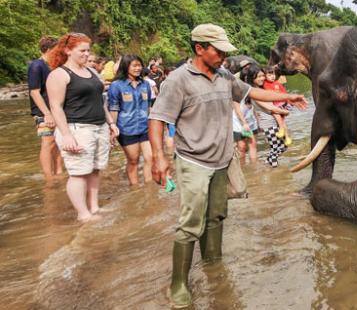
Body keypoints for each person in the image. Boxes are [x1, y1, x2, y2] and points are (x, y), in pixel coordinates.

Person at [148, 23, 307, 308]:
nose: (224, 56)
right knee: (190, 223)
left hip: (222, 160)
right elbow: (158, 119)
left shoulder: (224, 77)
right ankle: (178, 284)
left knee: (217, 216)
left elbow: (253, 94)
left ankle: (213, 263)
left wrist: (287, 96)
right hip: (193, 161)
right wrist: (159, 158)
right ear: (199, 49)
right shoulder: (178, 80)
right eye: (218, 50)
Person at [46, 33, 119, 222]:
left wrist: (111, 123)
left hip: (99, 126)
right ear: (67, 50)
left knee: (95, 169)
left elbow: (99, 100)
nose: (87, 54)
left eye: (88, 50)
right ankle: (82, 213)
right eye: (82, 51)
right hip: (76, 128)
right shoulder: (59, 74)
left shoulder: (92, 72)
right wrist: (66, 135)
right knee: (79, 173)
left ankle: (93, 207)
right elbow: (55, 107)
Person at [108, 55, 153, 186]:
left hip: (145, 127)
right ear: (126, 67)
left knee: (150, 157)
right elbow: (114, 109)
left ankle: (149, 188)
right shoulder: (116, 86)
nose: (138, 68)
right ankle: (135, 188)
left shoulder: (146, 84)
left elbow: (149, 106)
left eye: (140, 65)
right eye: (134, 65)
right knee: (133, 160)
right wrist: (113, 129)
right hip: (127, 129)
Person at [28, 36, 64, 177]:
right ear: (48, 49)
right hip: (43, 112)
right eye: (57, 49)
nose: (60, 52)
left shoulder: (54, 66)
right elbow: (34, 92)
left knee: (57, 142)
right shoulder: (36, 66)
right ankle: (48, 177)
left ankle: (59, 172)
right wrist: (47, 113)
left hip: (57, 109)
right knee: (47, 142)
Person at [262, 67, 293, 146]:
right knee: (280, 121)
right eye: (269, 75)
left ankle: (284, 134)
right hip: (274, 104)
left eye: (273, 74)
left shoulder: (278, 83)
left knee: (280, 120)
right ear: (265, 76)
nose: (272, 76)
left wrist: (289, 102)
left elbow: (285, 93)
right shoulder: (265, 83)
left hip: (280, 105)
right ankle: (286, 137)